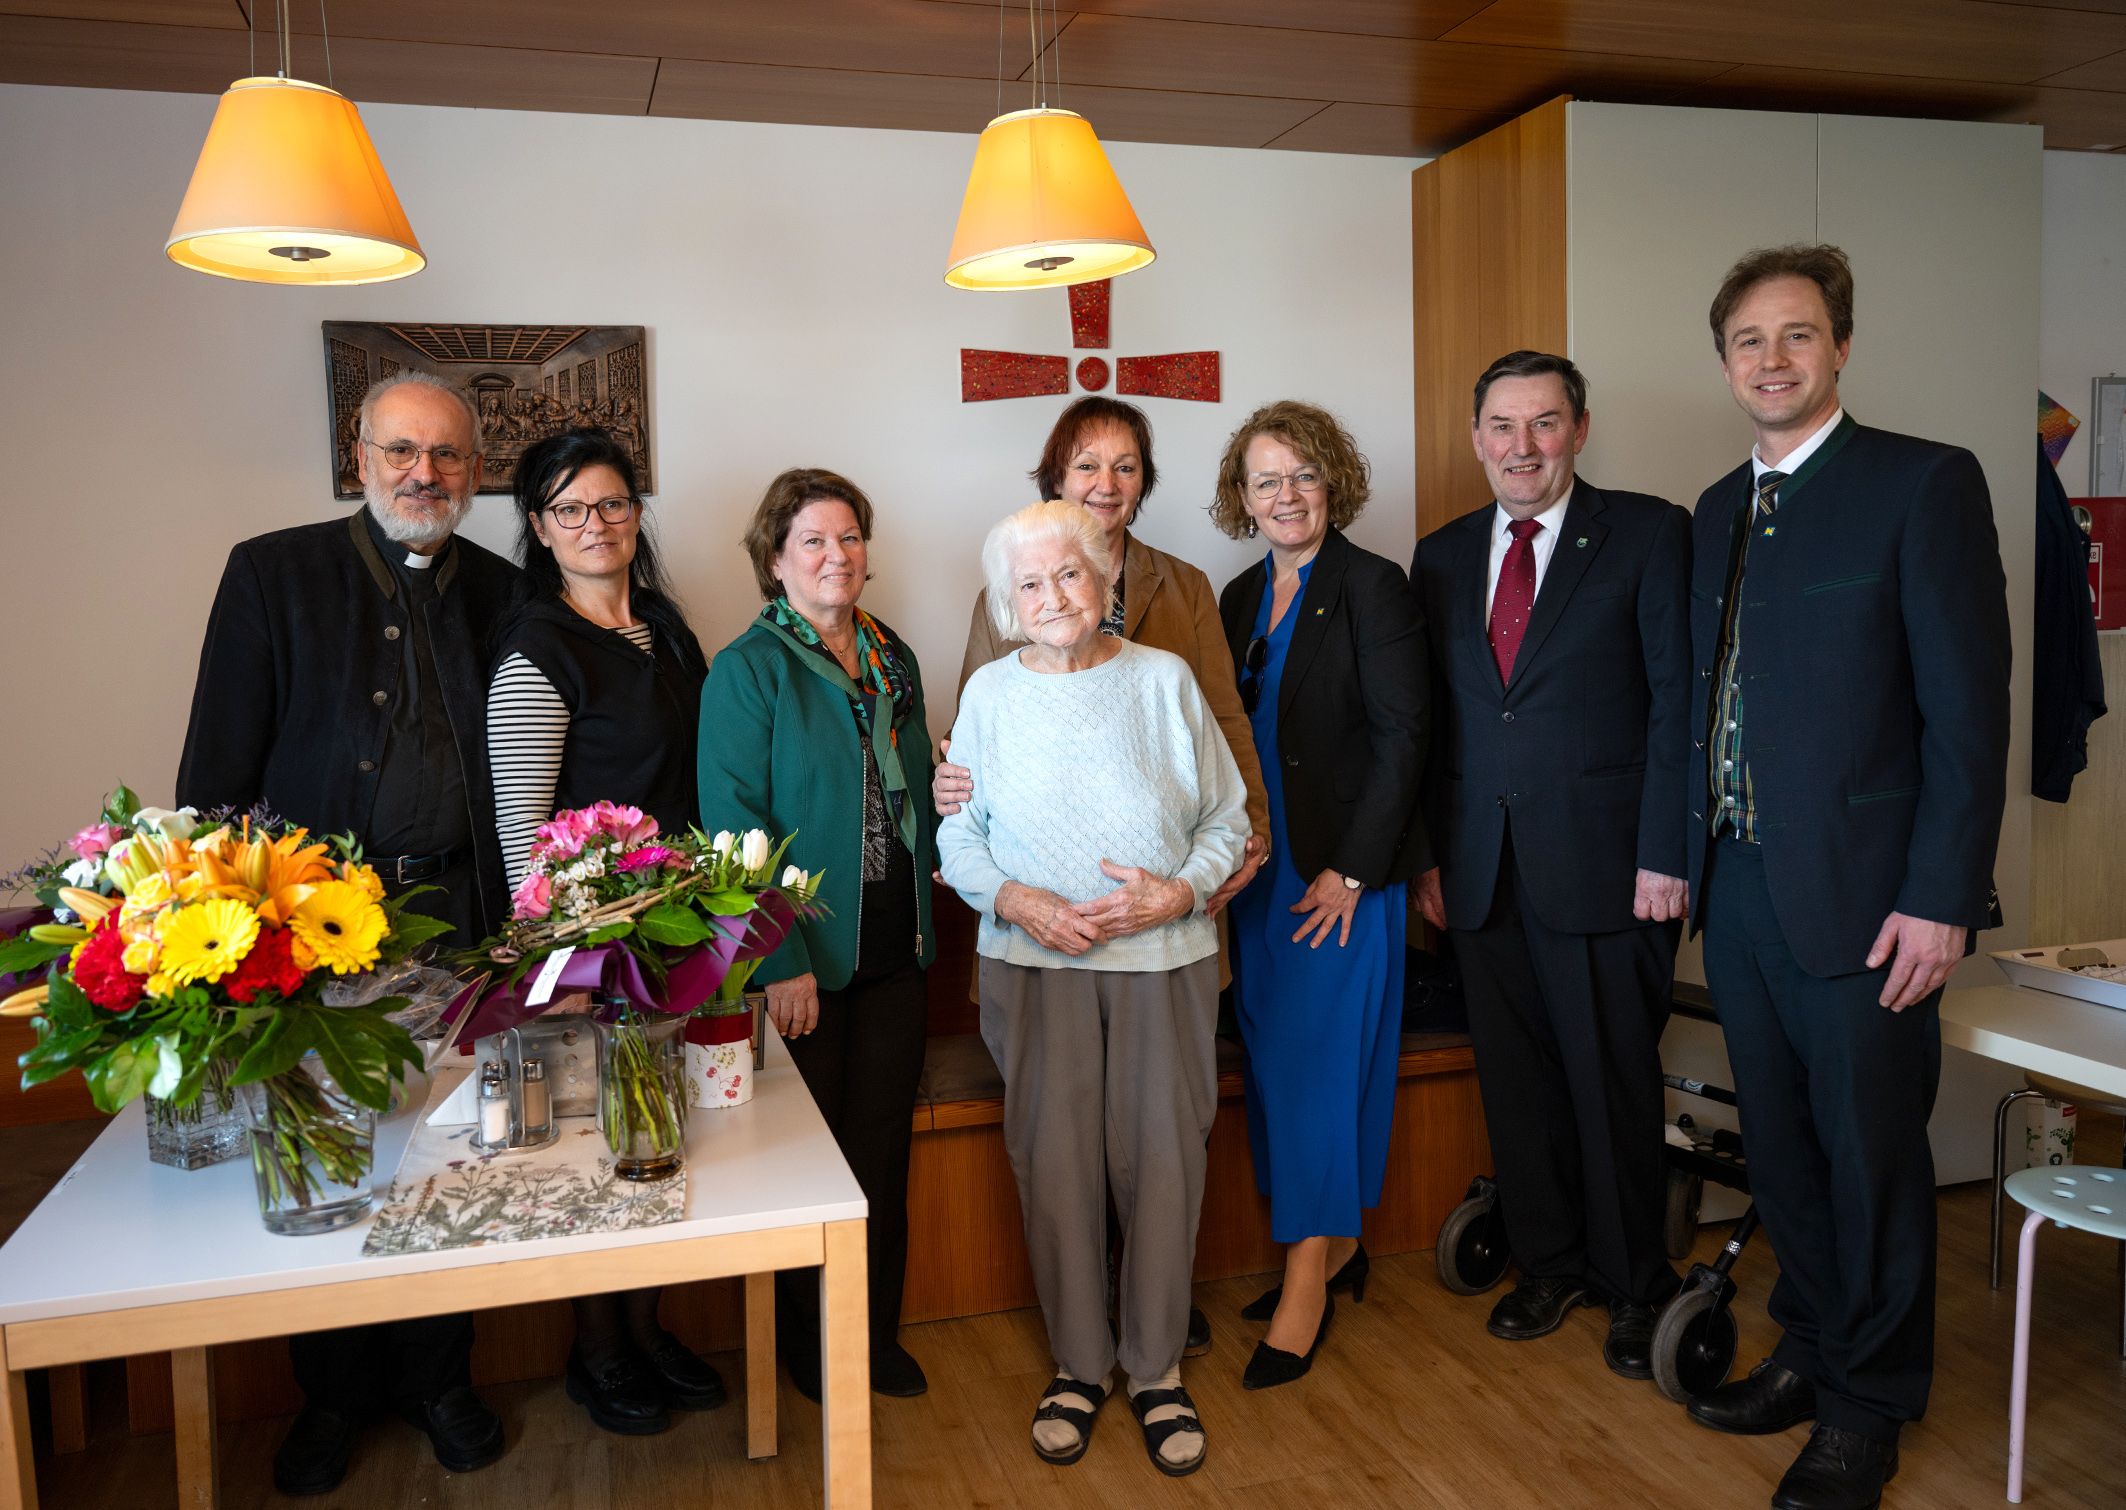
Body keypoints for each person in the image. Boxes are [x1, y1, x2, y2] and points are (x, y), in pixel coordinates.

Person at [1682, 244, 2009, 1510]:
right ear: (1723, 361)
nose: (1770, 359)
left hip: (1875, 899)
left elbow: (1964, 717)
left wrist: (1939, 896)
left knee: (1871, 1159)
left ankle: (1869, 1405)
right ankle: (1811, 1352)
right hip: (1745, 887)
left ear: (1840, 347)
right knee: (1783, 1148)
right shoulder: (1716, 507)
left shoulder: (1919, 484)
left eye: (1796, 336)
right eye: (1748, 341)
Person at [176, 370, 515, 1495]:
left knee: (441, 1165)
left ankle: (439, 1380)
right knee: (317, 1165)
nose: (426, 474)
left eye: (449, 457)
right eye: (402, 451)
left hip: (458, 930)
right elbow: (216, 775)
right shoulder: (272, 574)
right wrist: (218, 939)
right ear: (358, 455)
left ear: (475, 470)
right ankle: (331, 1397)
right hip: (306, 947)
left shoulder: (507, 591)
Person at [933, 395, 1270, 1357]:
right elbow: (963, 810)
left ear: (1101, 578)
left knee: (1164, 1161)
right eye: (1032, 586)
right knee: (1056, 1166)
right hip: (1036, 956)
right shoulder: (993, 689)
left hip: (1163, 948)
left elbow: (1223, 788)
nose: (1053, 597)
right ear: (1009, 605)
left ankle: (1155, 1362)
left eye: (1070, 576)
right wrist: (1018, 896)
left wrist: (1195, 884)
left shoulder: (1165, 668)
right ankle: (1080, 1363)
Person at [1409, 351, 1692, 1379]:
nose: (1519, 446)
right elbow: (1437, 726)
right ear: (1474, 434)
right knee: (1517, 1084)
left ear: (1577, 428)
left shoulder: (1648, 532)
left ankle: (1632, 1281)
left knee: (1609, 1078)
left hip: (1612, 870)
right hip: (1483, 872)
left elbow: (1677, 707)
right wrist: (1433, 861)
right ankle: (1550, 1260)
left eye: (1541, 424)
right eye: (1500, 425)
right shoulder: (1438, 555)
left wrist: (1667, 850)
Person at [484, 427, 720, 1437]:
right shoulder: (536, 647)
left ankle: (648, 1327)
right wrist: (559, 962)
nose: (597, 524)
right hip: (588, 943)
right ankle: (599, 1351)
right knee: (597, 1146)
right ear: (539, 528)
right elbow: (520, 829)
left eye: (613, 503)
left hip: (670, 927)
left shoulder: (662, 624)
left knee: (658, 1132)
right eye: (571, 509)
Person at [697, 468, 939, 1402]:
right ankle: (811, 1346)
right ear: (775, 560)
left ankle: (872, 1336)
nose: (835, 557)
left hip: (898, 941)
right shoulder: (746, 669)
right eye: (812, 541)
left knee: (882, 1150)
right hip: (806, 952)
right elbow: (731, 824)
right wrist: (778, 957)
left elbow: (916, 786)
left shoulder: (895, 659)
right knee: (811, 1159)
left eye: (848, 539)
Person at [1211, 400, 1429, 1390]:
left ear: (1330, 483)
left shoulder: (1371, 586)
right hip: (1259, 872)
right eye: (1266, 480)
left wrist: (1352, 867)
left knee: (1321, 1073)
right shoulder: (1233, 597)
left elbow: (1403, 738)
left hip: (1337, 873)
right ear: (1240, 497)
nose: (1286, 495)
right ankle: (1330, 1244)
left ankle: (1306, 1278)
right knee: (1272, 1066)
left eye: (1302, 475)